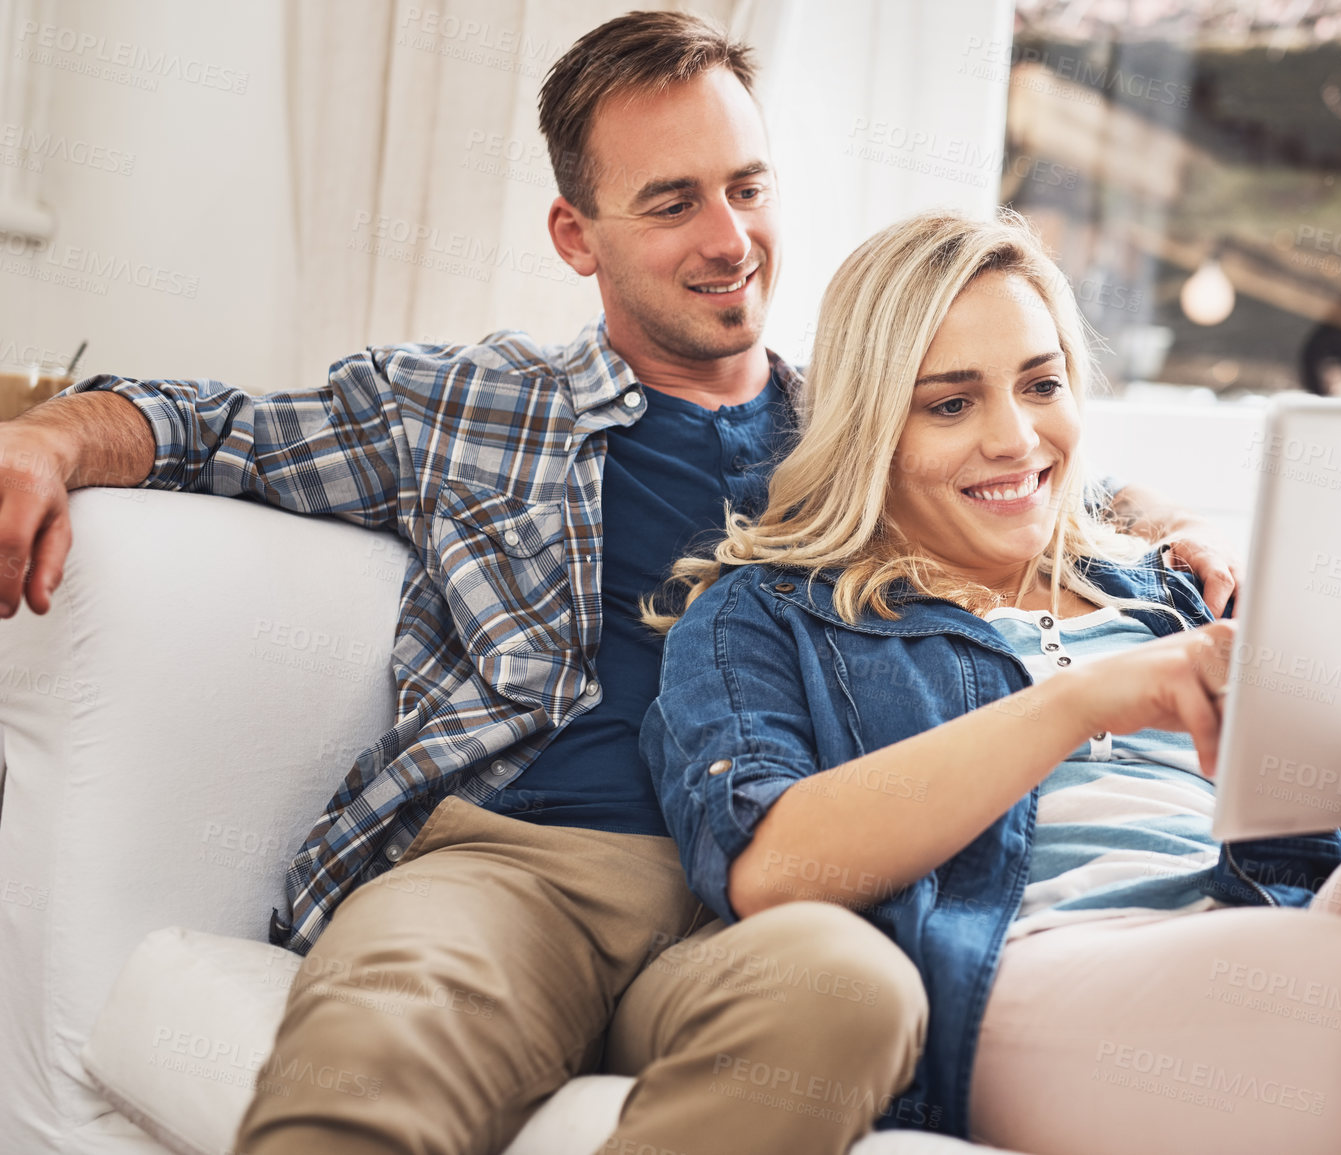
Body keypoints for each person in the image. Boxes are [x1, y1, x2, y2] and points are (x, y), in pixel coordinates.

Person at [0, 14, 1236, 1154]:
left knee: (852, 993)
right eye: (671, 202)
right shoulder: (470, 405)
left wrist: (1170, 524)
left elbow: (1022, 475)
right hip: (525, 864)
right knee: (379, 1053)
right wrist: (49, 440)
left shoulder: (852, 428)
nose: (728, 239)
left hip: (756, 892)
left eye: (747, 189)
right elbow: (214, 426)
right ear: (574, 235)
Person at [642, 208, 1341, 1154]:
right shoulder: (765, 613)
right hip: (1043, 964)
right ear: (872, 426)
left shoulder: (1169, 579)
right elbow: (771, 865)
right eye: (949, 403)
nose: (1015, 437)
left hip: (1287, 902)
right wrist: (1083, 700)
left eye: (1040, 384)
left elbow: (1335, 824)